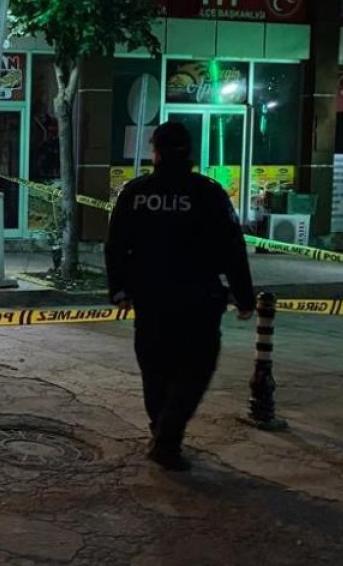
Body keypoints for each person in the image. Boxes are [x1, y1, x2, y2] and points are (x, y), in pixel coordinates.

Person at [104, 121, 254, 471]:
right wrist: (245, 297)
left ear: (155, 152)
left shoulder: (136, 192)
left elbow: (115, 246)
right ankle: (167, 437)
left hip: (151, 298)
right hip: (198, 299)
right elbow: (233, 248)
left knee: (155, 368)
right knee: (195, 369)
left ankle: (161, 430)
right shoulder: (209, 193)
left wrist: (119, 290)